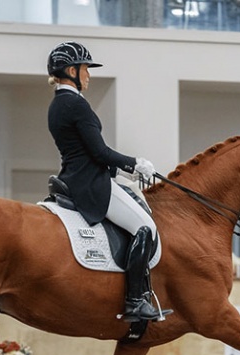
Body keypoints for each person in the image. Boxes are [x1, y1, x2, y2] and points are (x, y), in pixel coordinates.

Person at [46, 41, 172, 323]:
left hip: (77, 175)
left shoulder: (57, 104)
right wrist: (135, 163)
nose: (88, 75)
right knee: (145, 227)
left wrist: (125, 174)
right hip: (90, 184)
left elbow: (85, 154)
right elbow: (99, 152)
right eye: (85, 69)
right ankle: (135, 301)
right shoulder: (76, 104)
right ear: (71, 70)